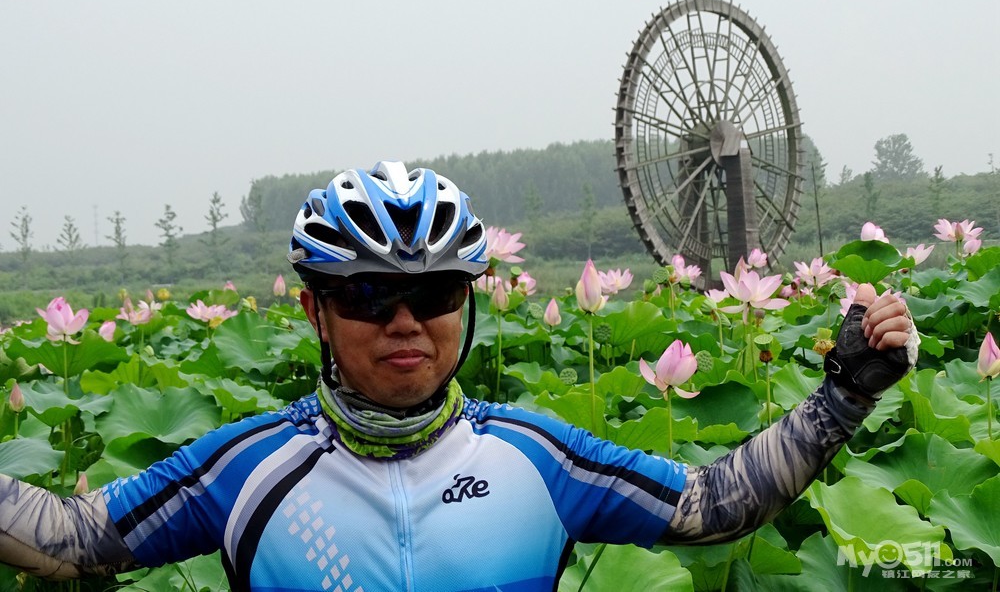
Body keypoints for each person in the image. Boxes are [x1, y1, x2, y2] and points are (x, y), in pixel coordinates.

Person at [0, 161, 918, 590]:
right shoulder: (245, 471)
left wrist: (844, 394)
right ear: (315, 311)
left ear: (468, 302)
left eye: (435, 291)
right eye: (365, 295)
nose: (405, 321)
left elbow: (715, 502)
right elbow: (71, 538)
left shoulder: (538, 456)